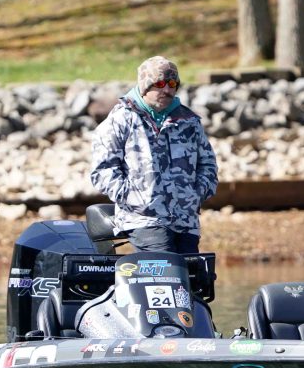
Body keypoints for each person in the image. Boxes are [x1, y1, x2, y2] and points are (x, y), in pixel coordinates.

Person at [91, 55, 218, 253]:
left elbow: (208, 165)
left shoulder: (189, 121)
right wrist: (136, 199)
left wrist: (194, 196)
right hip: (144, 221)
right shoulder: (121, 119)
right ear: (145, 87)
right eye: (159, 84)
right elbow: (102, 171)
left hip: (186, 222)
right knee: (167, 269)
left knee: (193, 272)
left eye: (172, 84)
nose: (167, 90)